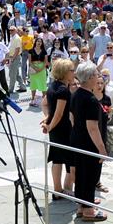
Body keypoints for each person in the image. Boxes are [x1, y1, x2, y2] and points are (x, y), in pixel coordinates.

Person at [69, 62, 108, 222]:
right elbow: (92, 127)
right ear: (91, 77)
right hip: (88, 142)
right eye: (96, 75)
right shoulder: (90, 99)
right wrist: (101, 148)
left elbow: (72, 118)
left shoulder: (76, 94)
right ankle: (88, 210)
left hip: (77, 139)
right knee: (89, 175)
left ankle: (83, 204)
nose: (98, 77)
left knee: (81, 174)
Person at [43, 58, 76, 199]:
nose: (73, 72)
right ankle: (67, 189)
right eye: (71, 70)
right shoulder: (63, 90)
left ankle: (57, 190)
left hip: (55, 130)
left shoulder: (52, 86)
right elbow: (60, 113)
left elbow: (44, 104)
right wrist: (50, 125)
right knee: (70, 160)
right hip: (63, 129)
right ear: (64, 72)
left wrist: (46, 118)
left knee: (56, 159)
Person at [28, 37, 49, 106]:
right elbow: (30, 62)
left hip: (42, 69)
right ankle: (33, 99)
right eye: (38, 41)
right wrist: (35, 68)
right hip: (33, 68)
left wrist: (40, 69)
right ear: (35, 42)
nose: (39, 43)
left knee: (43, 84)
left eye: (40, 41)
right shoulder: (30, 51)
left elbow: (46, 62)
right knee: (33, 85)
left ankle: (45, 99)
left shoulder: (44, 51)